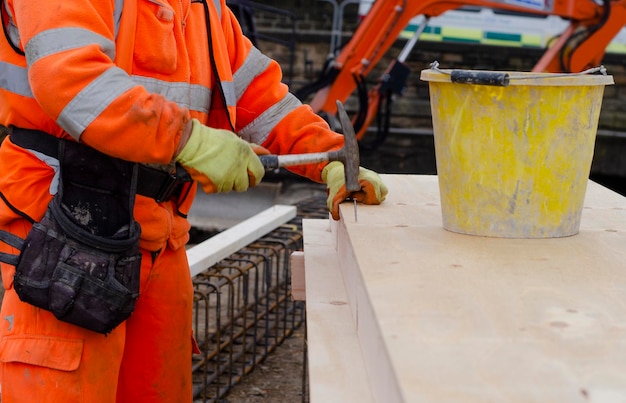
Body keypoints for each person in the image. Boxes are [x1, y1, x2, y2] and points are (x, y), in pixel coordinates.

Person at [0, 0, 387, 401]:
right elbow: (71, 79)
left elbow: (261, 97)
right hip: (62, 228)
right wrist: (188, 140)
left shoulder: (203, 8)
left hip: (160, 238)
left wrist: (326, 158)